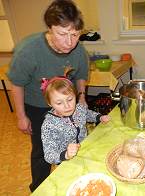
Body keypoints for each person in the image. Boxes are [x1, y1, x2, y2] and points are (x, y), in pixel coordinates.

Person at [7, 0, 88, 192]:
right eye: (62, 34)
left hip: (67, 101)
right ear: (50, 29)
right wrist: (21, 116)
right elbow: (16, 84)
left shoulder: (79, 50)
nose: (70, 42)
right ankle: (39, 188)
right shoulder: (28, 50)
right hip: (37, 106)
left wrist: (82, 98)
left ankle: (74, 180)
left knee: (74, 139)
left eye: (75, 34)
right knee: (42, 149)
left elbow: (81, 76)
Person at [40, 75, 110, 165]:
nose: (67, 106)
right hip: (66, 162)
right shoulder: (49, 126)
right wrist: (66, 155)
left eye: (70, 99)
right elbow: (49, 155)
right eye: (59, 103)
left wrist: (99, 117)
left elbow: (87, 114)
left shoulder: (78, 108)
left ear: (75, 96)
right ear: (50, 103)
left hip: (85, 151)